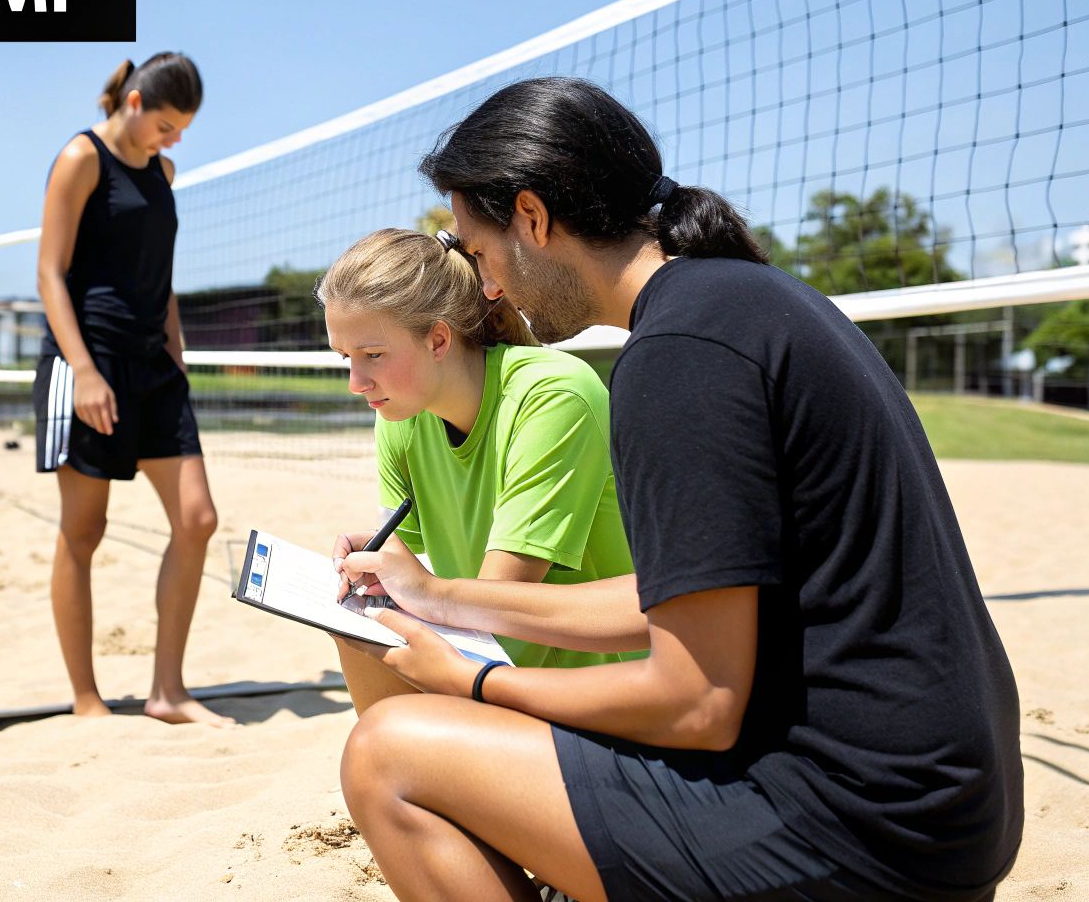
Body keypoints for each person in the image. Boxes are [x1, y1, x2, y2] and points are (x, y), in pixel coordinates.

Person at [331, 77, 1023, 901]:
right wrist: (439, 596)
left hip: (859, 831)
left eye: (479, 256)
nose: (486, 290)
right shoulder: (747, 300)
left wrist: (474, 683)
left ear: (533, 219)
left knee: (388, 754)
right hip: (950, 809)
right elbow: (671, 600)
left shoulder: (677, 356)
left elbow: (697, 703)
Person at [314, 228, 642, 713]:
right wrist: (380, 567)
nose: (355, 383)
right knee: (357, 623)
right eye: (346, 358)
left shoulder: (552, 395)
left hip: (598, 690)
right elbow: (422, 576)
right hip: (487, 659)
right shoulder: (402, 415)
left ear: (439, 339)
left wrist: (419, 593)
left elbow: (500, 601)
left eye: (373, 356)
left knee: (385, 735)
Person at [32, 52, 230, 727]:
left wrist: (176, 349)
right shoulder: (79, 159)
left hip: (154, 366)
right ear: (136, 102)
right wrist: (83, 370)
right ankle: (86, 699)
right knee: (84, 531)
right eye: (168, 126)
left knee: (198, 519)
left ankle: (167, 692)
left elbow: (159, 277)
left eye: (182, 131)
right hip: (85, 361)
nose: (173, 142)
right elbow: (50, 274)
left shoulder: (164, 173)